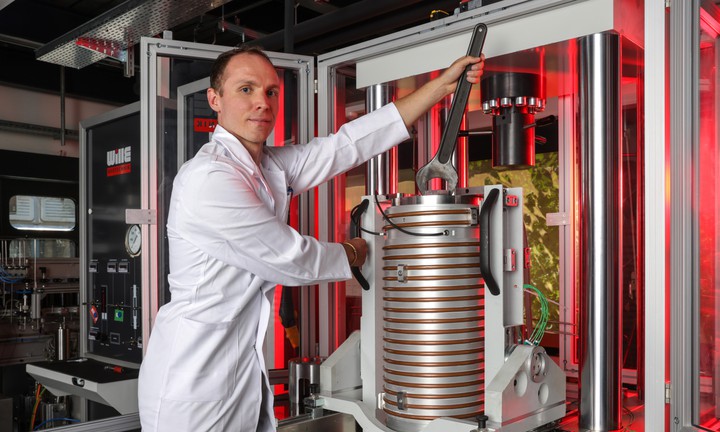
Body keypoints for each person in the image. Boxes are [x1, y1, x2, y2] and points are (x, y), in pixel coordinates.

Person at [137, 44, 484, 432]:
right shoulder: (210, 178)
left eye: (271, 92)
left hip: (237, 375)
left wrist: (441, 87)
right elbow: (290, 257)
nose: (262, 103)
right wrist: (357, 251)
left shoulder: (266, 165)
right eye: (246, 90)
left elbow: (345, 146)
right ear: (214, 100)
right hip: (192, 383)